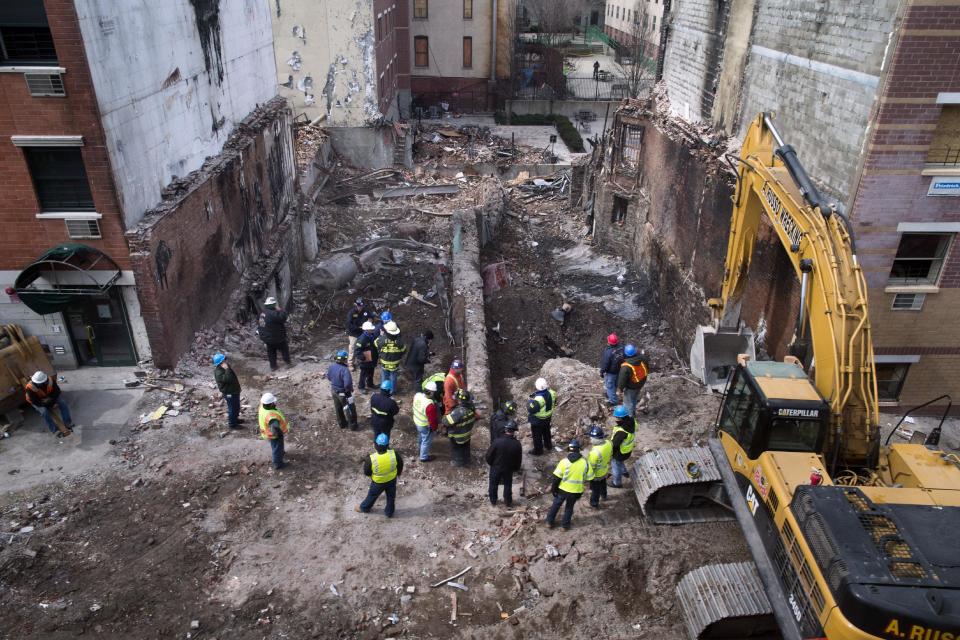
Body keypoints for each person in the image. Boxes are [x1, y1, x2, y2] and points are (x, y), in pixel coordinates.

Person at [546, 439, 588, 530]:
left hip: (562, 490)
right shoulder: (585, 463)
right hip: (575, 491)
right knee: (569, 508)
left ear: (569, 449)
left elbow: (556, 478)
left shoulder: (564, 462)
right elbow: (589, 477)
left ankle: (549, 522)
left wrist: (554, 489)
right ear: (578, 450)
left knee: (556, 505)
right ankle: (565, 526)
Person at [358, 433, 403, 518]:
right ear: (387, 445)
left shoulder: (371, 459)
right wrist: (398, 473)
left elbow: (367, 472)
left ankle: (364, 508)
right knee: (391, 497)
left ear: (376, 445)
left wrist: (372, 475)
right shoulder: (394, 454)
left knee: (372, 495)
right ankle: (389, 512)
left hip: (378, 482)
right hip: (392, 480)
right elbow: (400, 464)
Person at [25, 371, 73, 438]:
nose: (39, 385)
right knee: (45, 412)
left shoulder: (50, 380)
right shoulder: (30, 387)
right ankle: (54, 430)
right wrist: (47, 404)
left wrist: (51, 399)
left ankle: (67, 422)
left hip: (49, 397)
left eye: (41, 383)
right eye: (38, 383)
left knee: (63, 403)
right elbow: (35, 401)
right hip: (37, 402)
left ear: (45, 380)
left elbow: (57, 391)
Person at [485, 421, 522, 507]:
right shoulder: (517, 444)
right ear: (514, 431)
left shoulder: (497, 441)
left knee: (493, 484)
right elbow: (518, 459)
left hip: (496, 467)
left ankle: (493, 500)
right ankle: (508, 501)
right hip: (508, 469)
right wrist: (516, 468)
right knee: (507, 484)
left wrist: (491, 464)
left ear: (506, 429)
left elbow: (489, 455)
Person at [443, 388, 477, 467]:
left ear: (460, 401)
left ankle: (458, 462)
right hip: (467, 433)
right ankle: (467, 460)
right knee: (466, 447)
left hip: (457, 435)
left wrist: (447, 414)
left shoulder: (458, 412)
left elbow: (445, 421)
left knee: (457, 449)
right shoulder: (471, 407)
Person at [257, 296, 290, 371]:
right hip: (277, 337)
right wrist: (281, 310)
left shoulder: (262, 314)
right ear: (273, 305)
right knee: (284, 348)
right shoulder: (274, 314)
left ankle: (273, 366)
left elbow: (260, 326)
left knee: (271, 351)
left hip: (266, 338)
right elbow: (283, 317)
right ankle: (288, 363)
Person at [258, 392, 290, 470]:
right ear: (271, 404)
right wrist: (279, 434)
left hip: (267, 432)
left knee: (275, 446)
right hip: (275, 435)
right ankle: (278, 464)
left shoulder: (262, 407)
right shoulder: (272, 417)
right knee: (277, 448)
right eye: (273, 402)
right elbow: (275, 428)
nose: (275, 403)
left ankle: (280, 453)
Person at [328, 350, 358, 430]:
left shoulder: (331, 366)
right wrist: (349, 390)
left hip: (334, 391)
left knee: (338, 408)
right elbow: (347, 384)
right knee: (349, 408)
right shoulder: (345, 370)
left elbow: (329, 377)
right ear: (345, 359)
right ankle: (353, 426)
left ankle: (342, 424)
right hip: (344, 393)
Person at [412, 380, 442, 461]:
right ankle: (423, 457)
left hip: (417, 421)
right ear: (431, 393)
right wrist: (434, 428)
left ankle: (420, 448)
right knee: (426, 440)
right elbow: (432, 420)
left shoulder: (417, 395)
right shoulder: (429, 405)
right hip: (424, 425)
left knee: (421, 436)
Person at [526, 377, 556, 456]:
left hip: (538, 420)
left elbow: (531, 409)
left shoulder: (539, 399)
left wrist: (530, 400)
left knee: (537, 436)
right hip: (548, 417)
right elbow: (554, 401)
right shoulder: (552, 393)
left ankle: (538, 451)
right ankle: (548, 445)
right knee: (546, 432)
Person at [616, 344, 649, 416]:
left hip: (631, 386)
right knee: (634, 398)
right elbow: (647, 368)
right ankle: (633, 412)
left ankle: (629, 419)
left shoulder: (626, 367)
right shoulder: (643, 358)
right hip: (640, 382)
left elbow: (622, 380)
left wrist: (619, 389)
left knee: (628, 402)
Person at [213, 353, 242, 429]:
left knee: (236, 406)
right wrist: (227, 369)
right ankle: (232, 424)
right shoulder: (219, 372)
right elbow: (228, 379)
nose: (226, 361)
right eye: (224, 360)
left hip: (234, 391)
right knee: (232, 408)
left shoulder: (224, 368)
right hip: (229, 393)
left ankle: (235, 419)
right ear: (220, 363)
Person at [586, 425, 612, 508]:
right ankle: (604, 495)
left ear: (596, 439)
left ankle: (594, 503)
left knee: (595, 490)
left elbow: (591, 467)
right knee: (603, 484)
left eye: (591, 438)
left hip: (596, 474)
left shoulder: (595, 452)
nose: (590, 439)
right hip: (604, 469)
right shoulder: (608, 443)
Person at [610, 405, 636, 487]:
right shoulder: (632, 422)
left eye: (617, 417)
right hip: (627, 451)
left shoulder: (621, 432)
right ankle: (624, 472)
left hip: (619, 452)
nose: (616, 419)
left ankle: (616, 483)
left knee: (615, 466)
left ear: (621, 418)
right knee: (620, 462)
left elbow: (614, 444)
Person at [377, 321, 406, 393]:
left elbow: (376, 344)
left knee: (384, 375)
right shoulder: (400, 342)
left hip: (384, 362)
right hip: (395, 363)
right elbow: (404, 350)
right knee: (393, 376)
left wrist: (381, 335)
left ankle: (384, 389)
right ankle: (393, 391)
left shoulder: (382, 339)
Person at [345, 298, 371, 370]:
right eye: (359, 306)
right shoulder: (351, 313)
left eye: (362, 306)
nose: (360, 307)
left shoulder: (365, 311)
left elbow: (370, 317)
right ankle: (350, 364)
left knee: (366, 347)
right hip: (354, 334)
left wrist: (369, 321)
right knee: (352, 348)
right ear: (355, 305)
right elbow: (348, 325)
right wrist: (359, 328)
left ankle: (366, 361)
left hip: (363, 333)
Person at [354, 320, 380, 392]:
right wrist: (363, 357)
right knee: (363, 374)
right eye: (371, 329)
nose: (372, 329)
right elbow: (357, 350)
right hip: (365, 360)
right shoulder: (362, 339)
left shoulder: (372, 336)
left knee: (371, 372)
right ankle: (361, 386)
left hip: (372, 358)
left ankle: (370, 384)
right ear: (366, 330)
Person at [599, 333, 623, 406]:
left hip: (611, 373)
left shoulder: (608, 352)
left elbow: (605, 364)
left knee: (610, 386)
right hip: (619, 370)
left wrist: (602, 372)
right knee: (615, 384)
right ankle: (611, 395)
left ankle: (613, 402)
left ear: (609, 342)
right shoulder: (622, 348)